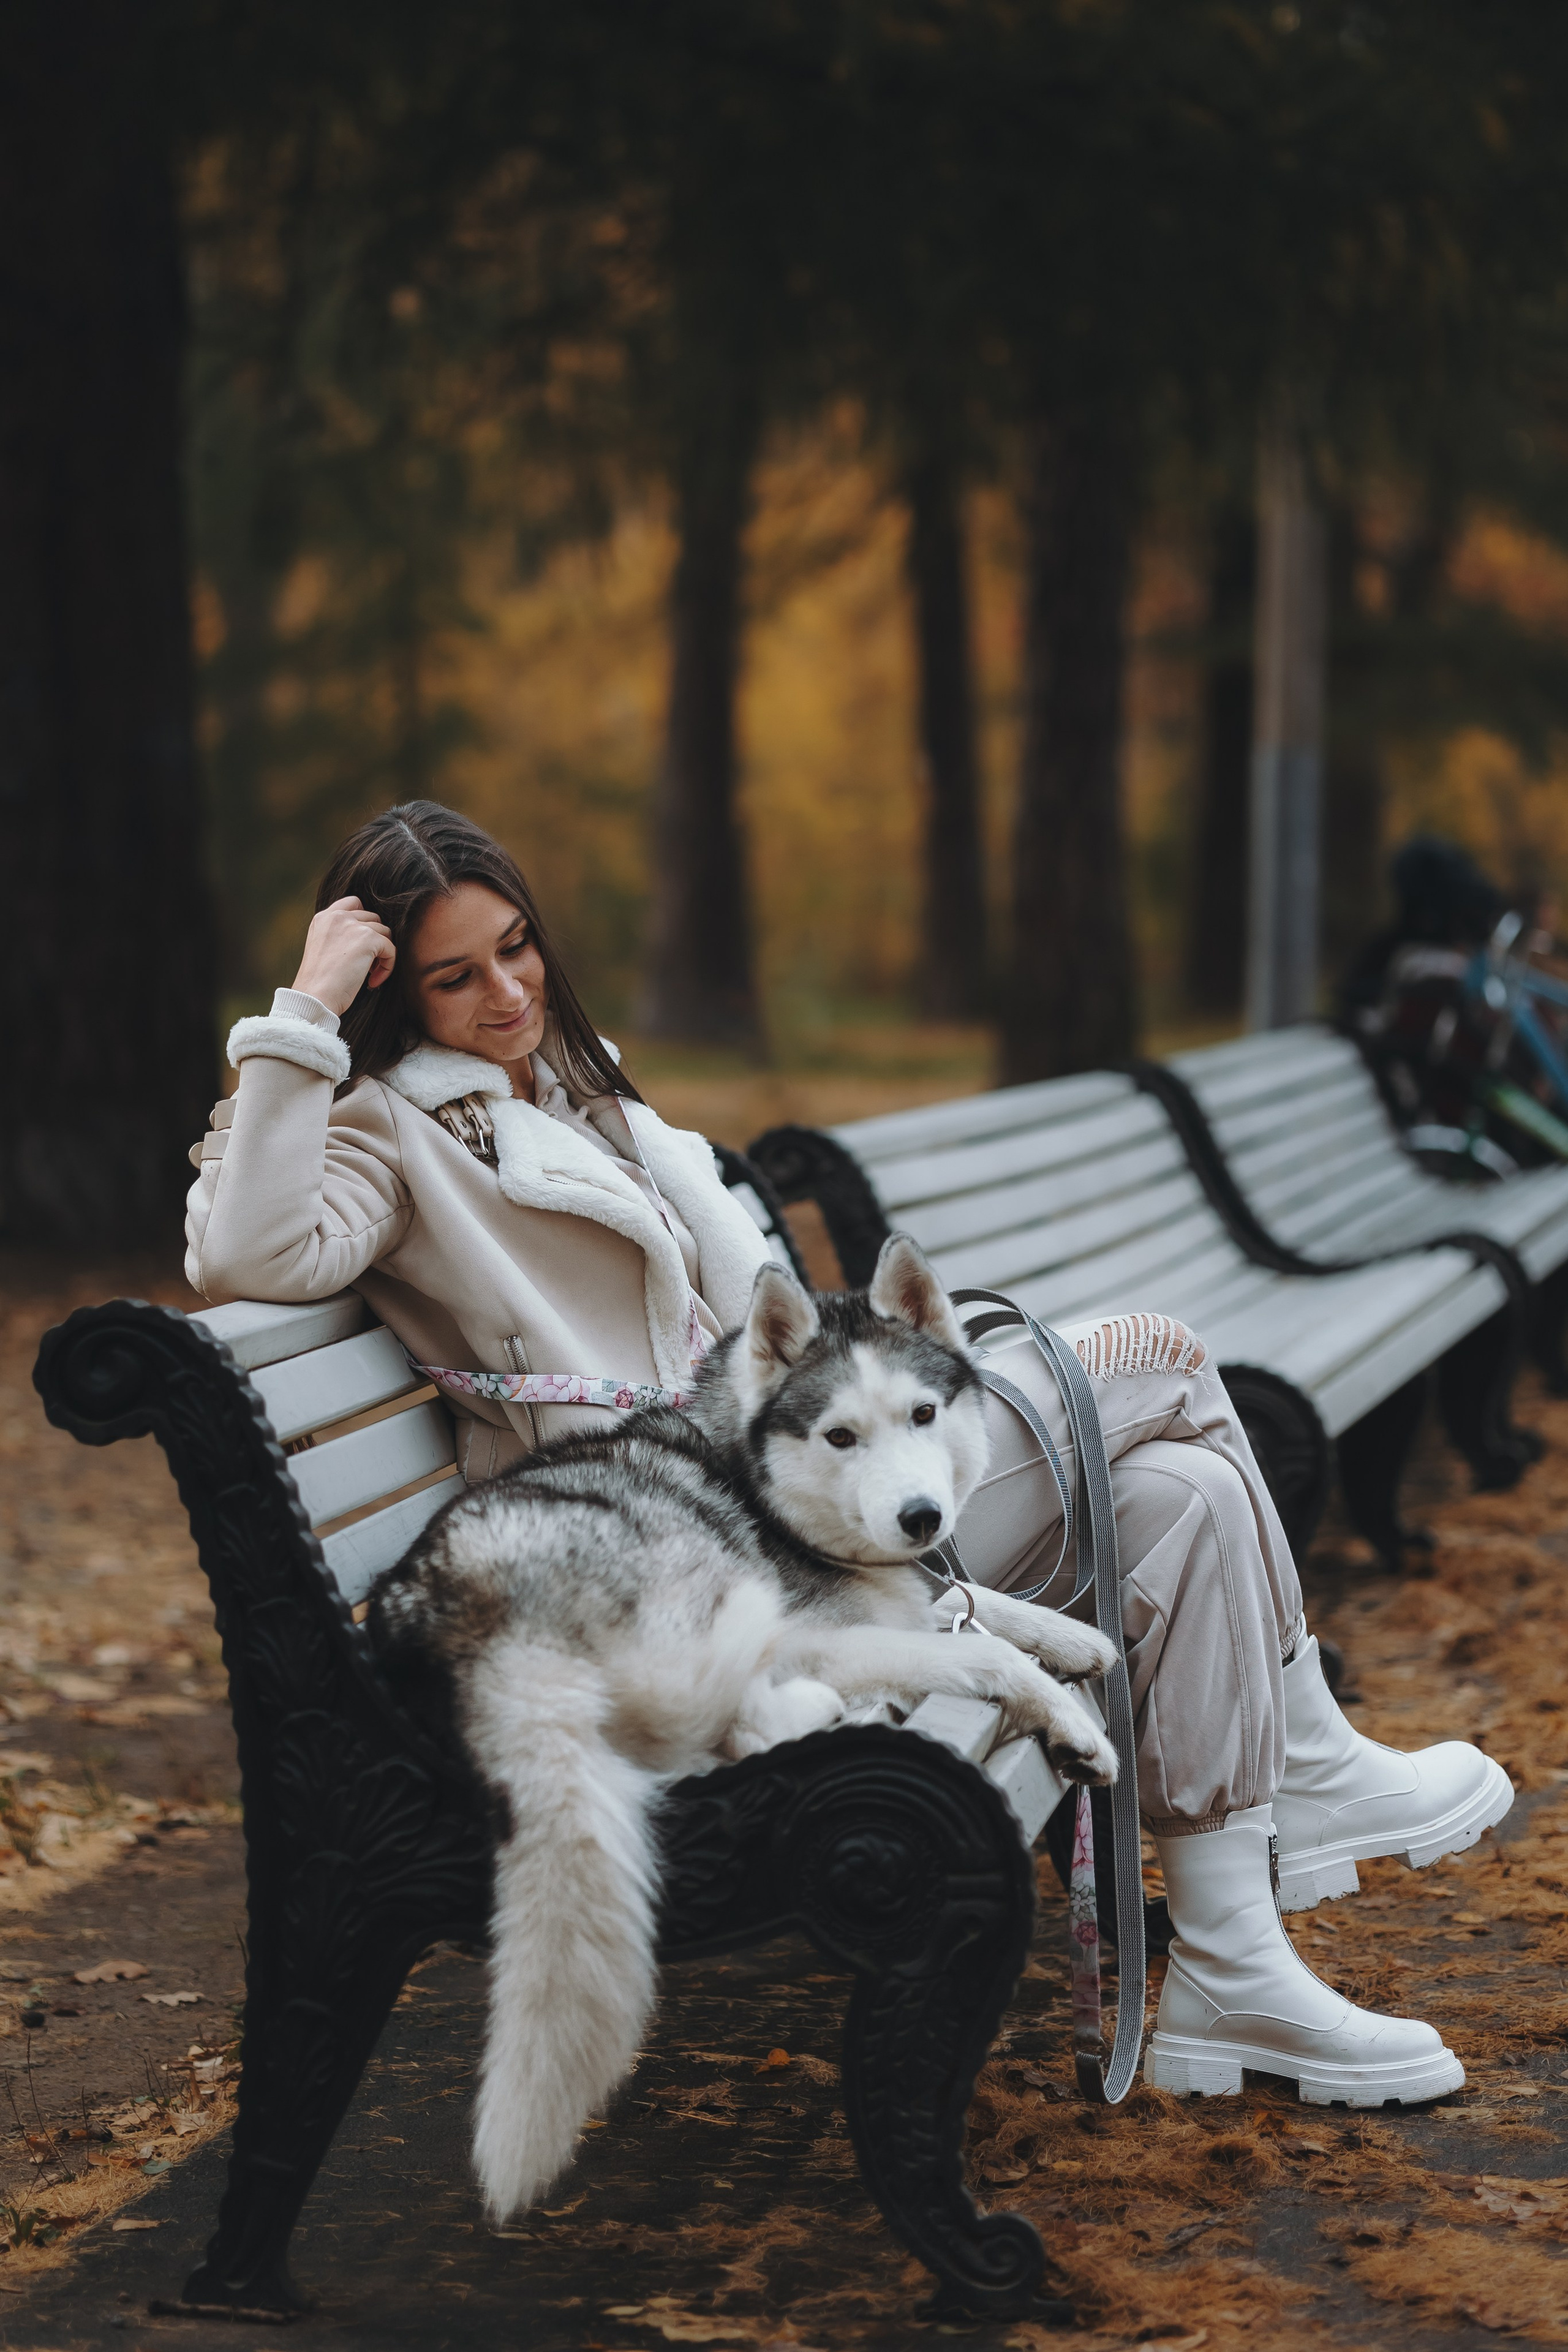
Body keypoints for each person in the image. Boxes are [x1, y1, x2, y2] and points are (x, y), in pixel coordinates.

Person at [187, 801, 1511, 2105]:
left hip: (784, 1502)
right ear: (391, 995)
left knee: (1186, 1492)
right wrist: (303, 1013)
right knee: (1160, 1354)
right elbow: (245, 1252)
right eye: (452, 977)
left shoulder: (588, 1103)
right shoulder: (390, 1130)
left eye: (516, 947)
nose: (504, 992)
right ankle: (1313, 1765)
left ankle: (1233, 1976)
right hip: (676, 1557)